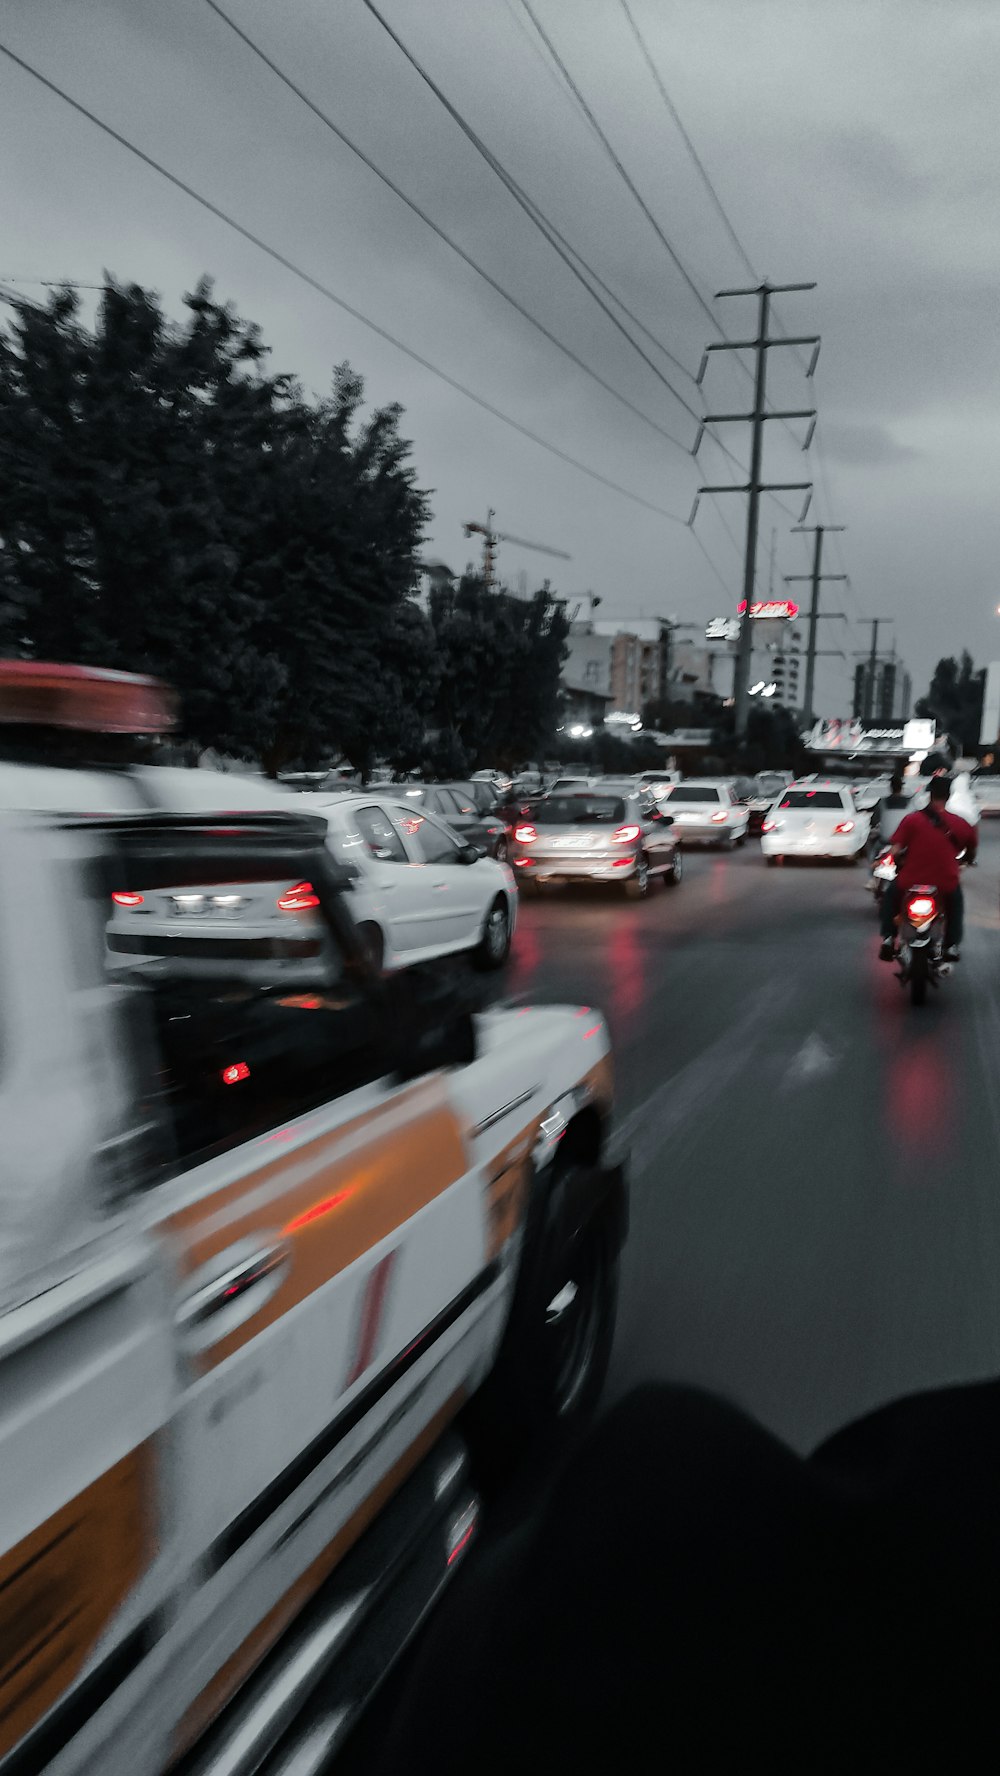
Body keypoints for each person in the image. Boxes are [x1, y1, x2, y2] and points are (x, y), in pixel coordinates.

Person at [878, 774, 976, 962]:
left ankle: (889, 939)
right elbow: (971, 852)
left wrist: (893, 860)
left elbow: (895, 850)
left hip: (911, 879)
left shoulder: (912, 820)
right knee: (956, 905)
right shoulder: (961, 824)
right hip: (945, 882)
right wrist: (967, 860)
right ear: (948, 797)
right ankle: (951, 946)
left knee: (890, 896)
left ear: (930, 795)